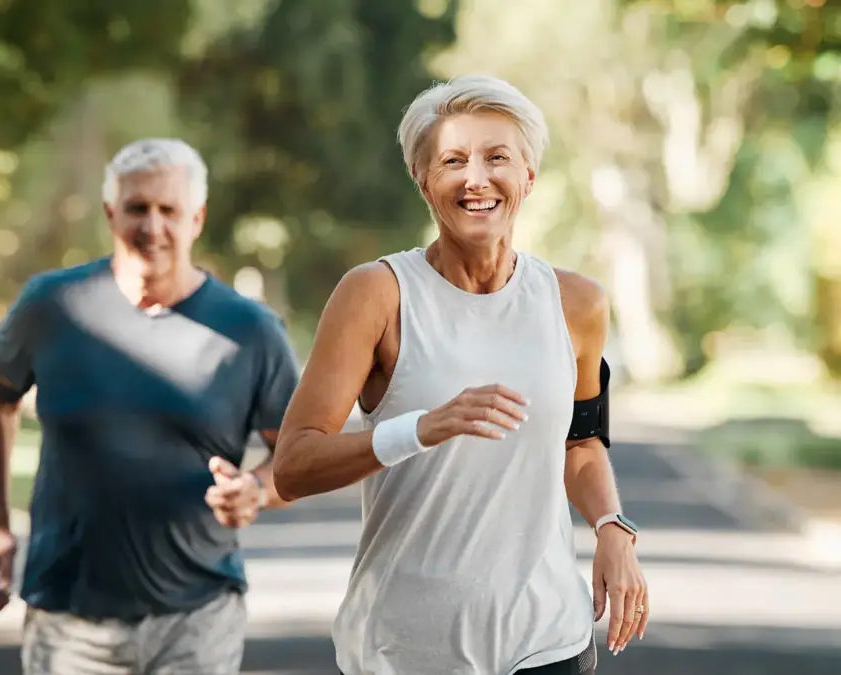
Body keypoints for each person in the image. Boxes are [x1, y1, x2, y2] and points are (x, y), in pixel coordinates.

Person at [272, 75, 649, 675]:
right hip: (405, 649)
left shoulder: (576, 303)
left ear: (528, 175)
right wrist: (420, 429)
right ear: (424, 180)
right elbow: (292, 467)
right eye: (453, 161)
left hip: (547, 640)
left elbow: (580, 442)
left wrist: (610, 524)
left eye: (497, 157)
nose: (476, 178)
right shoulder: (377, 294)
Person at [0, 138, 300, 674]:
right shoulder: (52, 306)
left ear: (197, 218)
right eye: (137, 208)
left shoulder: (252, 330)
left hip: (198, 615)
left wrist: (258, 489)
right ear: (110, 213)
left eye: (168, 210)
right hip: (69, 619)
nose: (152, 226)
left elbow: (299, 454)